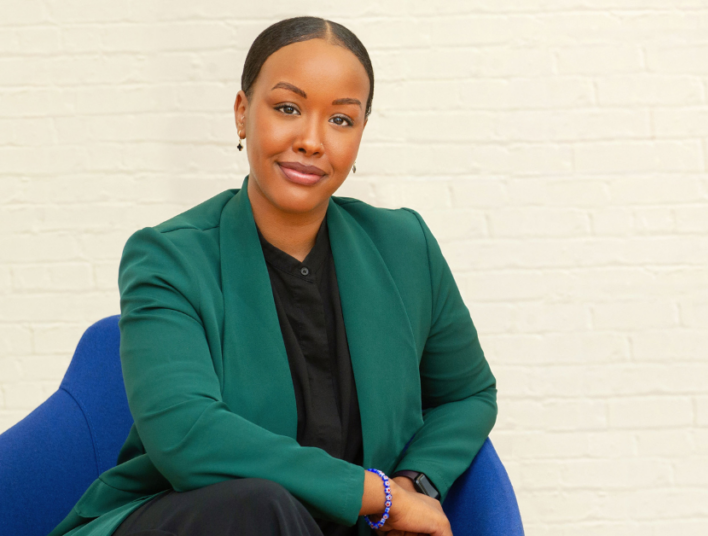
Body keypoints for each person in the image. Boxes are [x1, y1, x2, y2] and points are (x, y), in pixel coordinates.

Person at [45, 16, 498, 536]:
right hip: (194, 523)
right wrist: (380, 497)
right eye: (287, 108)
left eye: (341, 120)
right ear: (242, 114)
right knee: (264, 507)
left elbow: (467, 394)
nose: (311, 140)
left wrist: (415, 483)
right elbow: (188, 437)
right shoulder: (169, 257)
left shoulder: (404, 246)